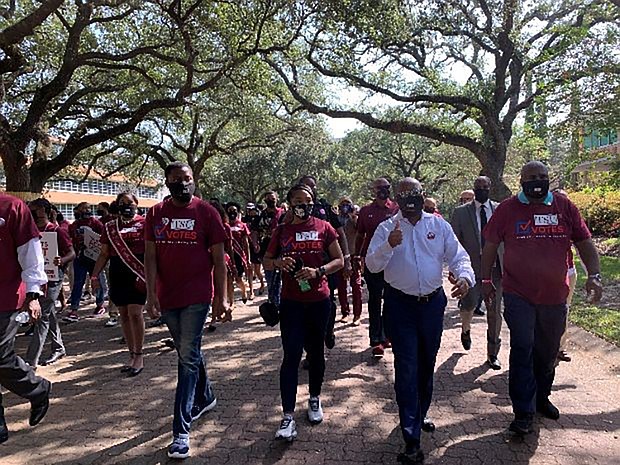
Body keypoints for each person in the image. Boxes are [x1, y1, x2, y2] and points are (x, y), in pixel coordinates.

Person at [481, 161, 603, 436]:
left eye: (543, 177)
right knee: (523, 347)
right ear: (521, 180)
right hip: (518, 294)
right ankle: (523, 411)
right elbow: (489, 246)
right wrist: (486, 281)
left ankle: (541, 398)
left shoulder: (563, 207)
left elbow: (584, 242)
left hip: (554, 296)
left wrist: (594, 275)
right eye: (532, 177)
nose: (538, 181)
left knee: (547, 352)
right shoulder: (507, 209)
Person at [366, 178, 474, 464]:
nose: (408, 199)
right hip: (400, 306)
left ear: (422, 195)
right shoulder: (386, 228)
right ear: (396, 200)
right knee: (407, 367)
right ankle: (411, 437)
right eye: (402, 195)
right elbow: (372, 265)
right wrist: (389, 245)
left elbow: (458, 256)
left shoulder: (438, 226)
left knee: (427, 364)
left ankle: (420, 411)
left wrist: (464, 278)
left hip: (431, 305)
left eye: (413, 193)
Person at [144, 162, 228, 459]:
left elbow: (219, 260)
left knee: (186, 358)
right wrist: (151, 294)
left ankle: (180, 432)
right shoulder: (155, 214)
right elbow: (150, 257)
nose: (183, 184)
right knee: (187, 351)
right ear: (167, 182)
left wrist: (221, 298)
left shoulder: (207, 212)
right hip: (167, 297)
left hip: (197, 296)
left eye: (187, 179)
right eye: (177, 179)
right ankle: (206, 396)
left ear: (194, 181)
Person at [264, 184, 344, 441]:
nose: (303, 204)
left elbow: (339, 261)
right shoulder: (281, 231)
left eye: (308, 200)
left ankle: (314, 398)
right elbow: (265, 260)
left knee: (316, 352)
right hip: (291, 302)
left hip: (319, 300)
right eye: (298, 200)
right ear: (289, 203)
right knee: (291, 356)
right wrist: (278, 262)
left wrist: (318, 271)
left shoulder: (324, 227)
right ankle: (287, 415)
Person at [0, 193, 52, 444]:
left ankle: (37, 388)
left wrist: (33, 294)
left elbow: (31, 254)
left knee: (0, 356)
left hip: (6, 297)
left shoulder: (12, 207)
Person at [450, 176, 504, 370]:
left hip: (495, 269)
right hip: (470, 268)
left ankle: (493, 353)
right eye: (478, 187)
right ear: (474, 189)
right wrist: (454, 269)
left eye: (485, 186)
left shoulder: (500, 210)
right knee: (470, 304)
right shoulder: (461, 212)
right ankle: (465, 329)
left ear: (490, 188)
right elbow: (453, 243)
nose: (482, 189)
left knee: (494, 311)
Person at [92, 192, 147, 376]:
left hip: (138, 272)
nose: (126, 206)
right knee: (123, 314)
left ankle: (139, 355)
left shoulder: (145, 224)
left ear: (136, 204)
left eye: (129, 202)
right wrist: (94, 276)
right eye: (122, 203)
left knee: (135, 313)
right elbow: (104, 253)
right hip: (118, 272)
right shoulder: (109, 227)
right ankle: (131, 354)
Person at [24, 198, 74, 368]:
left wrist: (62, 260)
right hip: (38, 278)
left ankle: (31, 360)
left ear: (44, 211)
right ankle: (58, 347)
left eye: (35, 210)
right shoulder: (28, 231)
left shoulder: (56, 231)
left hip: (54, 278)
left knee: (43, 315)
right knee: (49, 312)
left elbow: (71, 253)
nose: (32, 213)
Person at [354, 177, 399, 357]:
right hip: (372, 261)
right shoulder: (366, 211)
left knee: (390, 299)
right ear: (373, 190)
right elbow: (359, 234)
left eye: (386, 187)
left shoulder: (397, 208)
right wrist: (356, 256)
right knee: (374, 300)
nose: (382, 190)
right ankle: (376, 340)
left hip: (392, 262)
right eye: (379, 188)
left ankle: (387, 335)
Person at [66, 202, 105, 321]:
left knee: (97, 281)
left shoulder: (96, 223)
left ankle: (100, 305)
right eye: (83, 208)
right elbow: (70, 239)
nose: (86, 210)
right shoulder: (74, 225)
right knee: (78, 283)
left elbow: (102, 237)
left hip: (94, 259)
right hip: (80, 258)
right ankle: (74, 309)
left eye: (88, 208)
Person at [250, 191, 284, 302]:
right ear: (264, 200)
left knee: (282, 281)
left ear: (277, 199)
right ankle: (273, 305)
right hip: (266, 252)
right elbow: (254, 231)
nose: (270, 201)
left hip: (283, 252)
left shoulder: (284, 215)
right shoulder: (260, 216)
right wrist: (255, 243)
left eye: (273, 199)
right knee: (271, 280)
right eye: (268, 199)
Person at [336, 197, 362, 325]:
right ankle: (345, 312)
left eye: (348, 204)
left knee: (356, 285)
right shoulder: (337, 219)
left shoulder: (354, 218)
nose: (345, 207)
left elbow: (360, 230)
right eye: (342, 205)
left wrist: (353, 216)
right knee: (341, 286)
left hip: (353, 255)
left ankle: (357, 315)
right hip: (339, 256)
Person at [226, 202, 253, 304]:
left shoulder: (242, 225)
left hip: (238, 255)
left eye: (234, 211)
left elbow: (246, 243)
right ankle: (232, 302)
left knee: (238, 279)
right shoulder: (224, 225)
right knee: (229, 279)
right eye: (230, 211)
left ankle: (244, 291)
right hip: (228, 256)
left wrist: (248, 259)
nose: (232, 212)